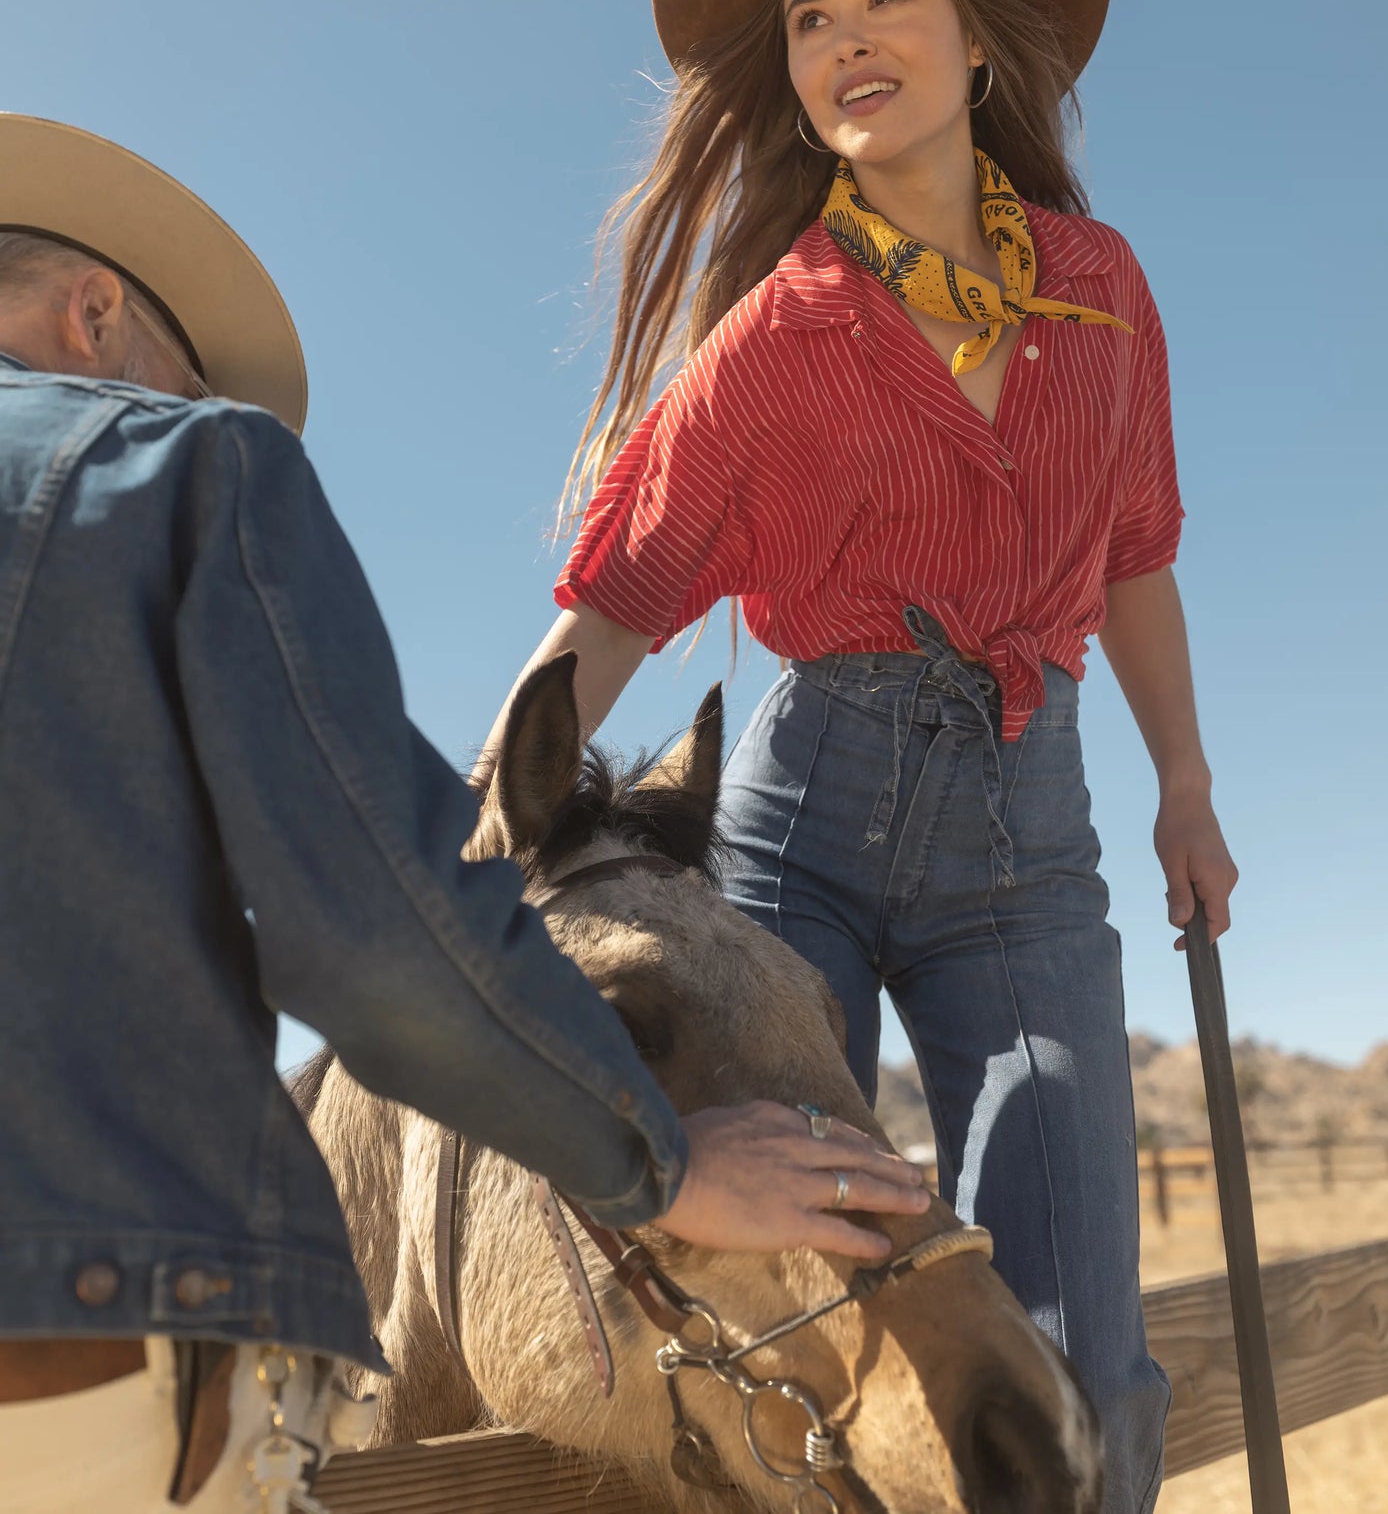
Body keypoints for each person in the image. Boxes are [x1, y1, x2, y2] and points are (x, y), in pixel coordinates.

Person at [0, 113, 927, 1514]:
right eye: (182, 384)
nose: (187, 412)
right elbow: (370, 925)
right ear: (95, 311)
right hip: (68, 1321)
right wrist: (653, 1161)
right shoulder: (176, 469)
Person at [485, 0, 1239, 1514]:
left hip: (1027, 845)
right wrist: (485, 830)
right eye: (811, 16)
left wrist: (1184, 782)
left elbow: (1134, 557)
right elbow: (620, 594)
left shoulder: (1101, 295)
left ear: (976, 39)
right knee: (813, 1313)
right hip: (800, 828)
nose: (844, 38)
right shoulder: (774, 332)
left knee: (1080, 1349)